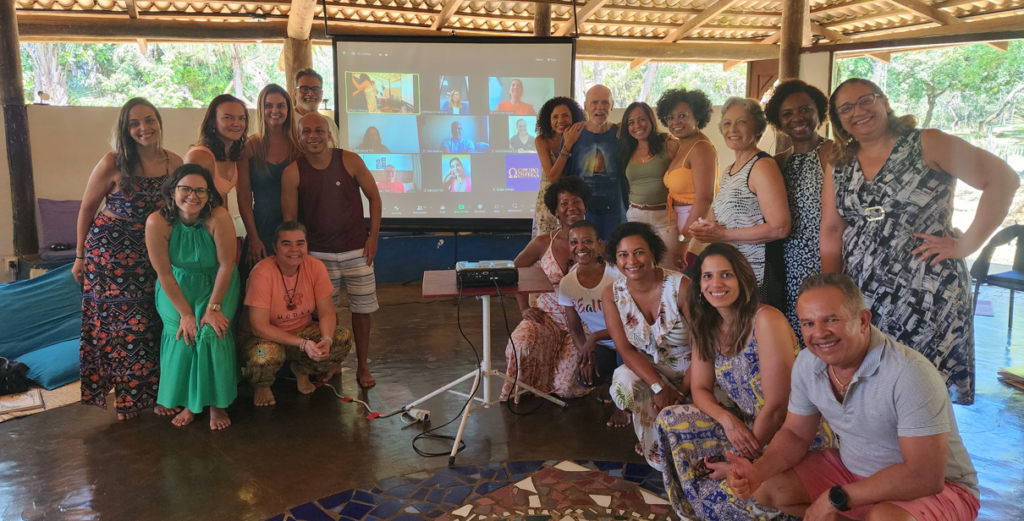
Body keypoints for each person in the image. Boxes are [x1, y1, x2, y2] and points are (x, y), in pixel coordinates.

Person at [821, 78, 1019, 405]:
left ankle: (929, 439)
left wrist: (965, 246)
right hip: (861, 290)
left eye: (866, 100)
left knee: (924, 389)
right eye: (846, 108)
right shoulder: (838, 162)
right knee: (870, 385)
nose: (858, 111)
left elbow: (1003, 179)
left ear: (884, 102)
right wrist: (831, 290)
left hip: (925, 287)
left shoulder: (928, 142)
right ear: (838, 119)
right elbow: (832, 228)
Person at [726, 273, 980, 521]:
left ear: (863, 320)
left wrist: (835, 498)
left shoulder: (909, 373)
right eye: (808, 323)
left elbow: (925, 477)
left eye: (831, 320)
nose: (819, 333)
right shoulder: (807, 362)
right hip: (854, 471)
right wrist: (757, 471)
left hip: (943, 487)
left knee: (886, 518)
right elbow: (795, 434)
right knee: (768, 486)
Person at [656, 243, 835, 521]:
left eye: (726, 275)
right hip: (749, 428)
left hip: (793, 434)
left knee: (737, 496)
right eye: (707, 276)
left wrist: (737, 463)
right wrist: (727, 420)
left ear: (742, 279)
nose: (716, 283)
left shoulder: (766, 320)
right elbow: (700, 389)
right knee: (671, 420)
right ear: (699, 284)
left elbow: (777, 407)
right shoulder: (707, 325)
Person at [75, 98, 184, 421]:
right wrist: (79, 256)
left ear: (159, 122)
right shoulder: (113, 162)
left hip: (154, 252)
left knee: (155, 322)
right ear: (125, 129)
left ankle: (160, 393)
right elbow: (87, 209)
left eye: (149, 120)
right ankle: (129, 400)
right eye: (134, 123)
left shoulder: (175, 162)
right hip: (110, 255)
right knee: (123, 328)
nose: (143, 128)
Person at [282, 112, 382, 389]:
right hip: (318, 256)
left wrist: (373, 238)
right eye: (306, 131)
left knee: (362, 311)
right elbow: (290, 222)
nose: (313, 136)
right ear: (299, 138)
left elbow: (374, 197)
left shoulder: (350, 160)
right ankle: (334, 361)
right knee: (327, 313)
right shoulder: (292, 172)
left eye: (318, 130)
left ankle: (363, 366)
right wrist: (299, 255)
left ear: (328, 134)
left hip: (358, 251)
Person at [146, 164, 240, 430]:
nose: (193, 195)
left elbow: (226, 265)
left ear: (209, 194)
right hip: (176, 285)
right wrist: (186, 314)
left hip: (217, 283)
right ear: (172, 191)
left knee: (211, 332)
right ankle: (189, 402)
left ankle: (216, 404)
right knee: (184, 333)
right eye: (185, 189)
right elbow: (164, 273)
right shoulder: (157, 222)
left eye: (200, 190)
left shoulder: (218, 217)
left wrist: (213, 308)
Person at [602, 222, 691, 471]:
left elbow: (704, 347)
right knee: (624, 382)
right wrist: (659, 387)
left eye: (639, 252)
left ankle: (669, 431)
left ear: (653, 252)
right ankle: (653, 435)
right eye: (623, 254)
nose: (631, 261)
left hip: (694, 370)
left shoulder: (681, 287)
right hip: (651, 370)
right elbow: (626, 350)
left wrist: (681, 392)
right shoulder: (612, 294)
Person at [239, 222, 354, 406]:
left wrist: (326, 339)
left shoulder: (315, 267)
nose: (294, 249)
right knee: (265, 357)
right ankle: (262, 385)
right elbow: (259, 327)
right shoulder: (262, 273)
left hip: (302, 332)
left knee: (342, 338)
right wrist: (302, 344)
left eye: (300, 243)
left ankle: (302, 370)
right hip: (261, 338)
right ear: (275, 247)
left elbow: (326, 312)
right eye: (286, 244)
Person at [690, 97, 789, 310]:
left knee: (758, 327)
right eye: (727, 123)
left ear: (758, 128)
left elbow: (779, 228)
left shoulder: (762, 166)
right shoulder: (729, 170)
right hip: (733, 270)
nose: (732, 129)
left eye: (741, 122)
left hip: (758, 273)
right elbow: (728, 218)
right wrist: (706, 228)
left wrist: (722, 235)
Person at [501, 176, 594, 402]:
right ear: (555, 210)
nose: (571, 207)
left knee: (565, 389)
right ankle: (529, 386)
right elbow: (513, 271)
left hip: (584, 322)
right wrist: (524, 308)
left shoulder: (599, 245)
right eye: (564, 203)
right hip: (547, 316)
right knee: (519, 345)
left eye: (577, 201)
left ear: (585, 205)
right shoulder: (543, 242)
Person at [765, 79, 834, 338]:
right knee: (793, 332)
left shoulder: (834, 153)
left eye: (805, 109)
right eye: (787, 113)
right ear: (778, 121)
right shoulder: (778, 162)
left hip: (825, 258)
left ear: (819, 112)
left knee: (824, 326)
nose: (797, 118)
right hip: (785, 263)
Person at [556, 220, 627, 427]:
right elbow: (575, 329)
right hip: (604, 345)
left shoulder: (616, 274)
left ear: (599, 244)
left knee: (624, 360)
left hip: (627, 340)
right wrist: (586, 355)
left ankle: (622, 406)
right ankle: (609, 382)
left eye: (587, 241)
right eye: (574, 242)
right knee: (583, 377)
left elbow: (628, 324)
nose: (580, 247)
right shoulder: (567, 283)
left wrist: (594, 337)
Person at [237, 84, 301, 267]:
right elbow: (243, 197)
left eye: (281, 106)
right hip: (262, 230)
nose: (275, 111)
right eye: (269, 105)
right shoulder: (248, 147)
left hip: (296, 228)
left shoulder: (299, 146)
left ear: (288, 109)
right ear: (261, 109)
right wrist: (253, 238)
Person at [656, 88, 718, 270]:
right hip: (683, 222)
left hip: (696, 225)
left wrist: (685, 239)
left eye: (682, 116)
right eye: (670, 117)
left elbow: (705, 198)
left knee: (694, 277)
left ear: (697, 117)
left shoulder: (701, 147)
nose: (675, 122)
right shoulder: (684, 145)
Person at [619, 101, 678, 268]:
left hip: (664, 219)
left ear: (651, 120)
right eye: (631, 122)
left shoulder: (669, 145)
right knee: (638, 270)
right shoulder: (627, 150)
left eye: (641, 119)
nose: (637, 126)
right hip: (635, 217)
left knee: (668, 270)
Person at [564, 85, 626, 239]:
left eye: (605, 102)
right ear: (585, 106)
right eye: (594, 102)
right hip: (581, 219)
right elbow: (563, 179)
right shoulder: (573, 135)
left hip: (616, 219)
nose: (600, 107)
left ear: (612, 106)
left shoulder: (622, 135)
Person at [532, 97, 585, 237]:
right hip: (549, 204)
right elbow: (552, 176)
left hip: (573, 204)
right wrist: (568, 145)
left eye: (565, 115)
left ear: (574, 117)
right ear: (548, 120)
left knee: (573, 241)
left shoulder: (582, 138)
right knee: (548, 244)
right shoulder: (542, 140)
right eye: (555, 116)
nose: (560, 120)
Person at [184, 94, 248, 199]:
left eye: (241, 118)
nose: (237, 124)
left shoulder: (232, 152)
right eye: (228, 118)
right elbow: (192, 204)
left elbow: (221, 197)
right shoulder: (200, 157)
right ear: (213, 122)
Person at [293, 68, 342, 148]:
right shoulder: (287, 122)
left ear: (321, 93)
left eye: (315, 89)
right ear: (295, 93)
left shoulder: (330, 123)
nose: (310, 94)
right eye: (304, 89)